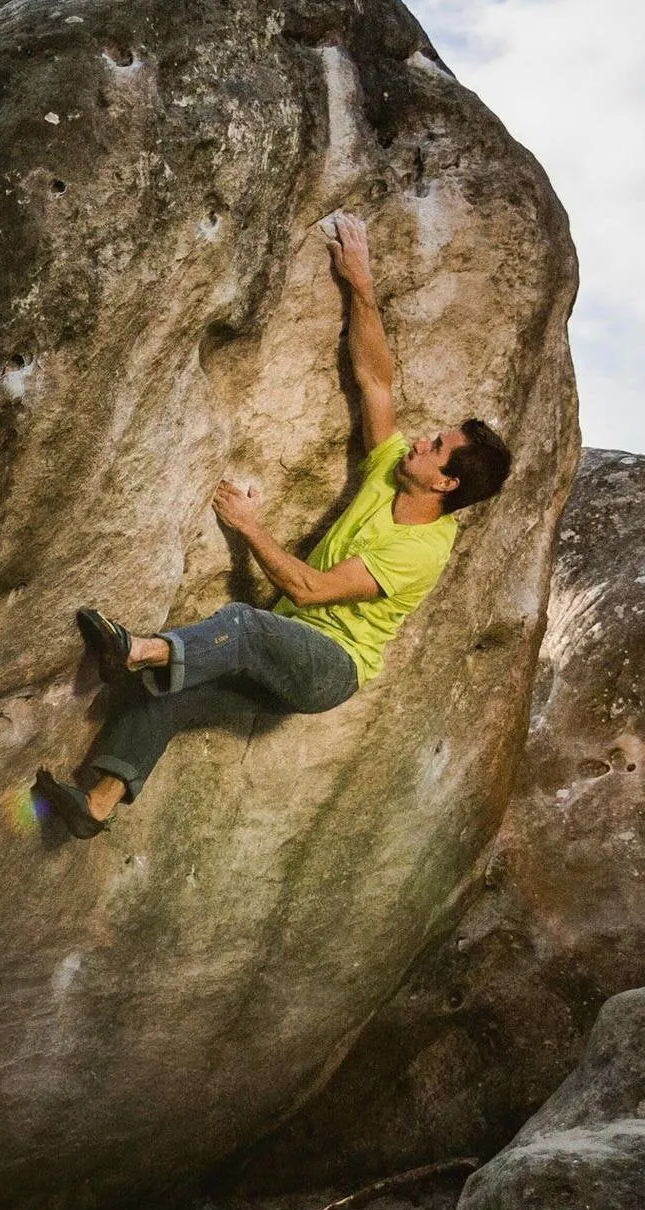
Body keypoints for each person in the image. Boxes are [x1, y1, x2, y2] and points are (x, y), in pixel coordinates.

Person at [34, 212, 513, 839]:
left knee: (239, 626)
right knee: (171, 688)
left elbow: (312, 590)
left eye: (435, 446)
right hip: (288, 647)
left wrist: (249, 526)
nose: (420, 441)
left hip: (328, 667)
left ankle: (135, 648)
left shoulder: (422, 550)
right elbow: (376, 380)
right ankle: (94, 805)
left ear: (446, 483)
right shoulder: (393, 470)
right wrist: (360, 284)